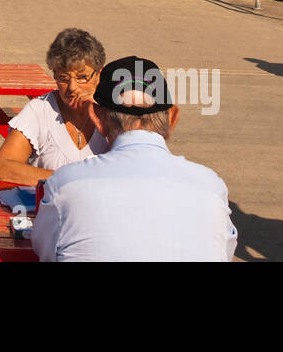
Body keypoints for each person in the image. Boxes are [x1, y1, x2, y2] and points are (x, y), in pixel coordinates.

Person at [32, 55, 237, 262]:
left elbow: (45, 250)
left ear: (97, 118)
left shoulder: (65, 185)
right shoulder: (211, 187)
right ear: (172, 118)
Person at [0, 28, 109, 186]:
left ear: (99, 75)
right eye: (63, 78)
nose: (72, 87)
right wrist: (74, 181)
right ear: (54, 75)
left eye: (82, 77)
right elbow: (3, 168)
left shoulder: (114, 112)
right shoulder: (40, 110)